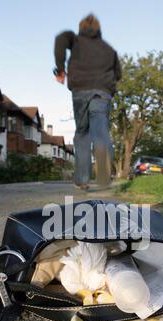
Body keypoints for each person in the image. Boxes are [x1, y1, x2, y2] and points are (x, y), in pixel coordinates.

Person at [54, 14, 122, 190]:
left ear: (81, 27)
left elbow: (60, 38)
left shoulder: (75, 40)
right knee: (100, 128)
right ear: (99, 29)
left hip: (81, 90)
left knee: (82, 132)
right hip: (103, 92)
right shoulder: (109, 49)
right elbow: (119, 74)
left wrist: (61, 69)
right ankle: (103, 174)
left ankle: (82, 179)